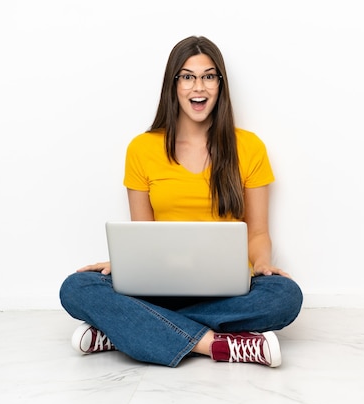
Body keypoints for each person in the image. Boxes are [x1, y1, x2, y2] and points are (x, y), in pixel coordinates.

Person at [59, 36, 303, 368]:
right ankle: (218, 345)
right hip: (158, 286)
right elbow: (141, 236)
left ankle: (122, 331)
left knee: (285, 297)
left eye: (208, 76)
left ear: (220, 84)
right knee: (76, 287)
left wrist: (261, 264)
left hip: (227, 288)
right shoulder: (142, 149)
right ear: (173, 85)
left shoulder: (249, 147)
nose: (197, 86)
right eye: (187, 76)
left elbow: (258, 233)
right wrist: (124, 264)